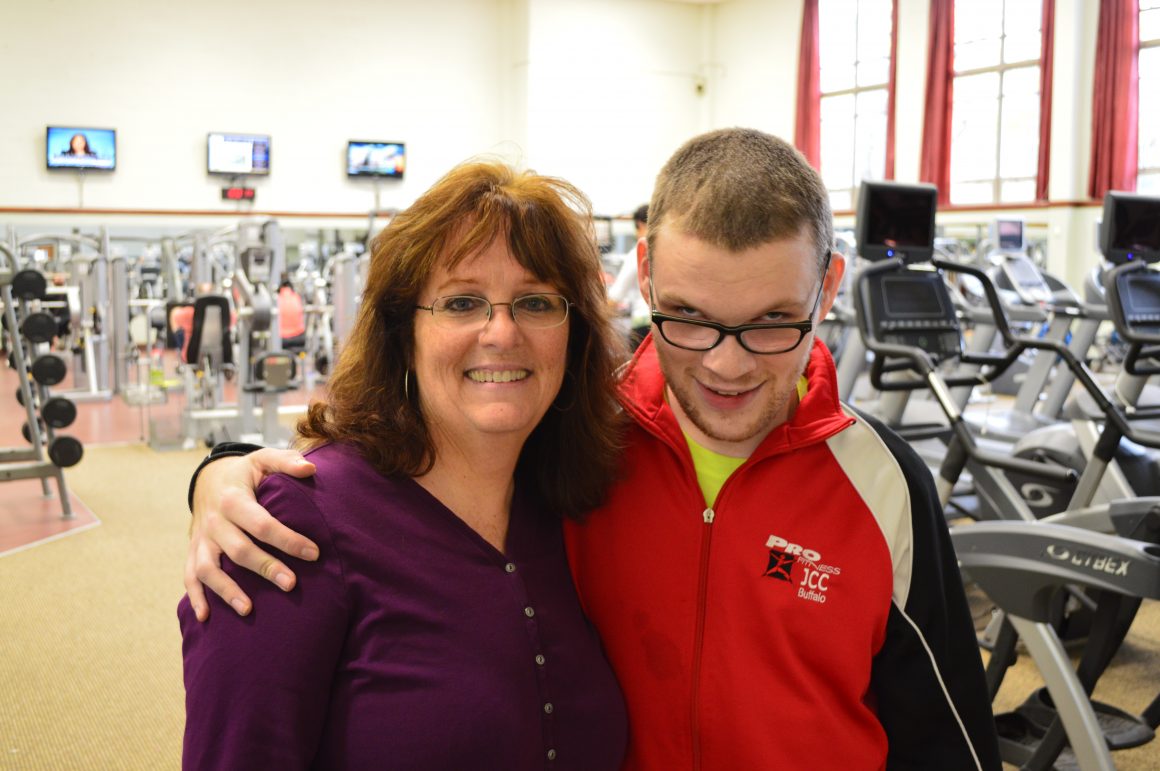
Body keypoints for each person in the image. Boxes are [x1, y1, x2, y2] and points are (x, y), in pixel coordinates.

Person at [184, 129, 1001, 770]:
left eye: (771, 322)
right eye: (689, 316)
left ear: (827, 288)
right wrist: (219, 469)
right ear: (643, 275)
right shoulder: (584, 445)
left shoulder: (881, 485)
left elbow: (947, 743)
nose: (726, 362)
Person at [177, 160, 629, 770]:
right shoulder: (286, 528)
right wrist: (217, 469)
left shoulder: (568, 510)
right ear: (401, 335)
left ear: (572, 333)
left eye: (536, 301)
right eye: (463, 302)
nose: (501, 332)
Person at [606, 203, 650, 349]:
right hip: (664, 326)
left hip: (643, 327)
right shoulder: (667, 251)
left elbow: (616, 296)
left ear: (640, 224)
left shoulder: (638, 253)